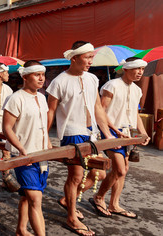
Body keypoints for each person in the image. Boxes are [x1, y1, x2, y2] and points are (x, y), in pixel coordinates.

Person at [47, 41, 114, 236]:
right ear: (74, 58)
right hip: (71, 132)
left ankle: (68, 199)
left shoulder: (93, 78)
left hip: (91, 133)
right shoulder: (58, 81)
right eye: (87, 57)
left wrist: (107, 134)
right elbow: (50, 111)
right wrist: (45, 137)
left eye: (92, 57)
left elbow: (98, 108)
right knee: (75, 176)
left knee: (99, 174)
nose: (91, 61)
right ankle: (71, 217)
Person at [93, 57, 150, 219]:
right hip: (110, 133)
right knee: (120, 168)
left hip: (128, 134)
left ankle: (114, 204)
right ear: (126, 69)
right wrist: (113, 130)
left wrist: (143, 132)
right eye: (136, 69)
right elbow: (101, 111)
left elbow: (135, 114)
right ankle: (99, 197)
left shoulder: (137, 90)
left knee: (124, 170)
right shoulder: (112, 85)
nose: (140, 72)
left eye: (142, 69)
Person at [3, 61, 51, 236]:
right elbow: (7, 128)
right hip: (23, 156)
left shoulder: (42, 97)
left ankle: (21, 230)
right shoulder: (16, 98)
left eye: (43, 74)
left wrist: (49, 145)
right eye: (36, 74)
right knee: (36, 199)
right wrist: (21, 149)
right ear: (25, 76)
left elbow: (43, 124)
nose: (41, 78)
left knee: (27, 195)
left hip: (41, 155)